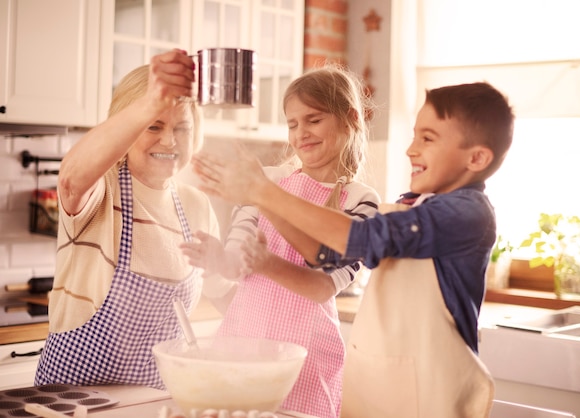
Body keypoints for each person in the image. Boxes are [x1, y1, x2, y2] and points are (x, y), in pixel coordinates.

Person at [193, 81, 515, 417]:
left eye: (428, 138)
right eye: (415, 135)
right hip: (388, 377)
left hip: (434, 384)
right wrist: (262, 203)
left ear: (476, 158)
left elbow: (362, 240)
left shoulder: (466, 212)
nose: (410, 149)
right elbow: (327, 253)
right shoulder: (415, 205)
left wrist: (263, 192)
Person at [181, 65, 380, 418]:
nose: (301, 133)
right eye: (292, 123)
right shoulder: (268, 180)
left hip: (305, 361)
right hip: (243, 347)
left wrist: (267, 257)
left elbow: (322, 288)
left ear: (349, 118)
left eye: (313, 119)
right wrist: (216, 259)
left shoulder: (361, 202)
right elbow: (235, 265)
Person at [34, 49, 221, 389]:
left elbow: (224, 290)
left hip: (152, 402)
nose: (169, 140)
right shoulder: (101, 186)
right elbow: (70, 178)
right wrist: (152, 99)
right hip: (77, 404)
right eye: (154, 125)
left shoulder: (196, 206)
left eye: (182, 127)